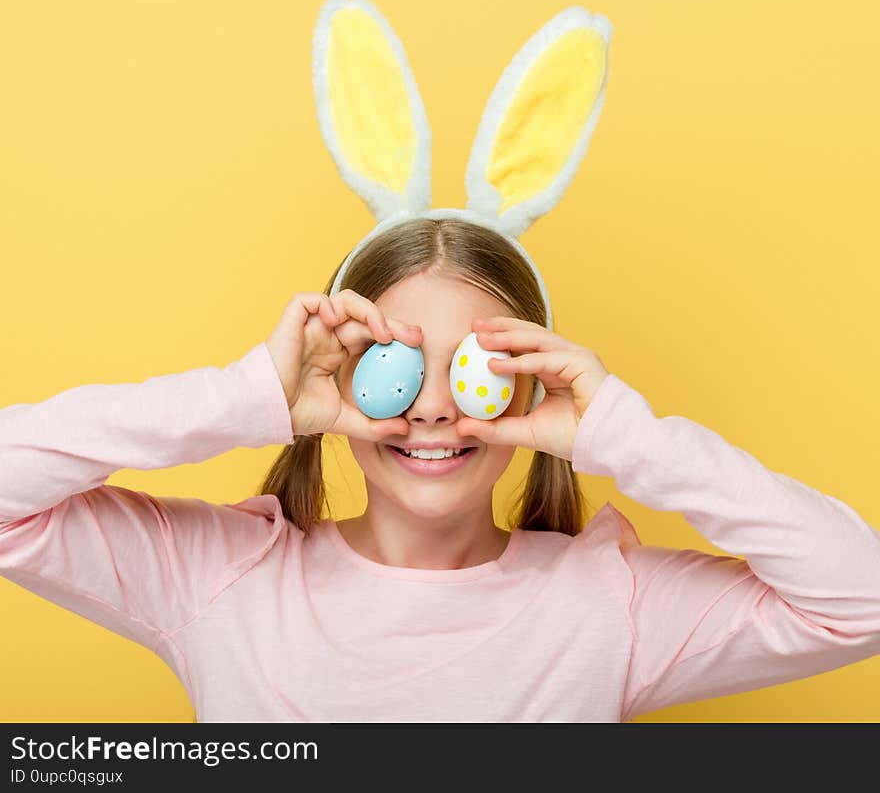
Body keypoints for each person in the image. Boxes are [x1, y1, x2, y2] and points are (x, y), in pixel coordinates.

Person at [1, 215, 879, 723]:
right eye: (398, 367)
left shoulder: (609, 608)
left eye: (476, 371)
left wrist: (625, 434)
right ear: (334, 377)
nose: (429, 409)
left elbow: (862, 598)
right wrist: (247, 396)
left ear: (532, 387)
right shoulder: (217, 580)